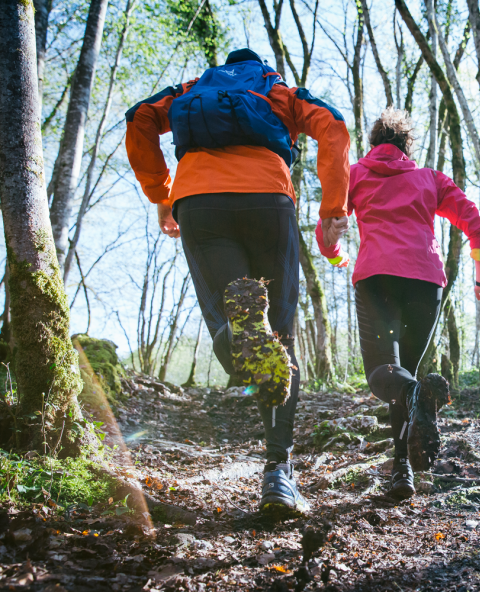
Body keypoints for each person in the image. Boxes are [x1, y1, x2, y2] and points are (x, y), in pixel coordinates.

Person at [125, 48, 351, 514]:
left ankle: (241, 329)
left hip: (200, 203)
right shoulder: (276, 88)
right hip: (268, 199)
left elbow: (138, 119)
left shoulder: (192, 88)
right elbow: (332, 125)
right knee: (280, 339)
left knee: (236, 324)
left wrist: (161, 194)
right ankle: (278, 475)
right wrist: (333, 208)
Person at [316, 107, 480, 500]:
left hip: (377, 277)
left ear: (373, 143)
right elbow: (476, 224)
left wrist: (336, 256)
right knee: (406, 377)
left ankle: (405, 453)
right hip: (425, 281)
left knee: (387, 374)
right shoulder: (430, 179)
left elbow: (326, 228)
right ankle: (402, 472)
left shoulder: (355, 175)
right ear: (405, 145)